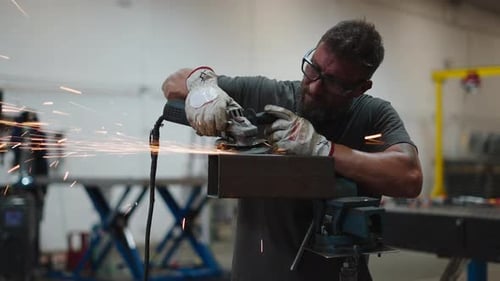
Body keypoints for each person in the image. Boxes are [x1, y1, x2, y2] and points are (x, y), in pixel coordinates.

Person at [162, 19, 422, 281]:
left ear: (361, 87)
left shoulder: (372, 115)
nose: (314, 87)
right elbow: (174, 83)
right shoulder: (267, 95)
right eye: (314, 69)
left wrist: (324, 149)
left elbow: (409, 178)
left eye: (333, 82)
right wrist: (202, 90)